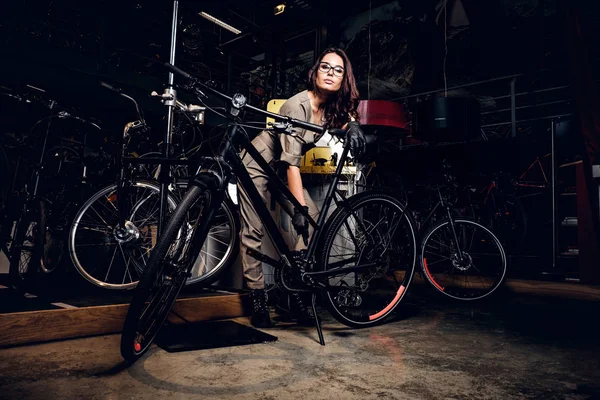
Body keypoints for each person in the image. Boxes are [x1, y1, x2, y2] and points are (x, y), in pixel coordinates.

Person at [238, 47, 367, 328]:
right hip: (257, 164)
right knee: (254, 229)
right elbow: (292, 165)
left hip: (283, 169)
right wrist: (299, 208)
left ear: (345, 78)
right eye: (325, 67)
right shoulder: (296, 105)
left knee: (313, 219)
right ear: (315, 71)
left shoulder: (331, 105)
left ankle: (293, 289)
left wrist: (354, 126)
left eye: (338, 70)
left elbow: (346, 115)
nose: (331, 73)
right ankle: (257, 297)